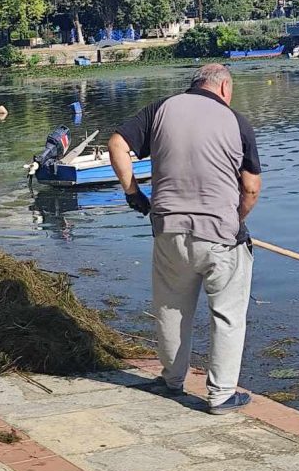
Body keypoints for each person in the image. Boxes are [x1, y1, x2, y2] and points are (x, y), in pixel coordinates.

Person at [108, 63, 261, 413]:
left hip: (169, 230)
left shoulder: (161, 108)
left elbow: (117, 144)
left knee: (171, 308)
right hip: (221, 237)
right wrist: (236, 220)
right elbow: (251, 187)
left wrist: (133, 194)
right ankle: (221, 394)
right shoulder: (237, 122)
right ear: (224, 89)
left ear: (194, 85)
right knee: (227, 314)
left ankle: (172, 380)